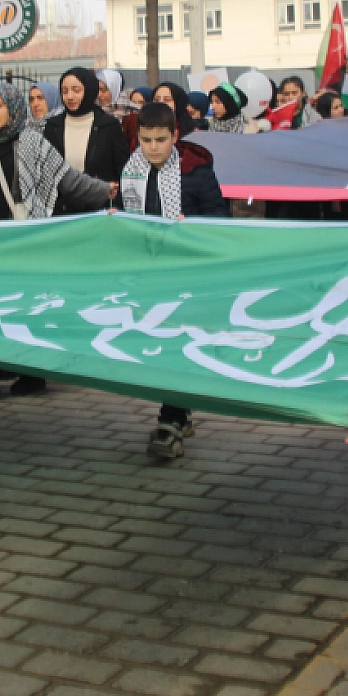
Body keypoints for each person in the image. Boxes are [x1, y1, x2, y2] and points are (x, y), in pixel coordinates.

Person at [0, 83, 116, 404]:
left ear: (12, 107)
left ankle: (31, 372)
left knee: (24, 310)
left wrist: (104, 191)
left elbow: (67, 179)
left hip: (24, 245)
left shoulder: (32, 142)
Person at [120, 101, 229, 459]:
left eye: (160, 140)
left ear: (175, 136)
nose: (153, 147)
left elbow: (219, 218)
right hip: (148, 275)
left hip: (187, 277)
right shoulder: (132, 170)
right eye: (146, 140)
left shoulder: (196, 172)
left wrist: (193, 228)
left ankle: (171, 419)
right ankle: (179, 411)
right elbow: (126, 213)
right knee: (157, 344)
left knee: (176, 344)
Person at [44, 67, 127, 189]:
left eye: (76, 90)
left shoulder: (108, 126)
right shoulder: (53, 126)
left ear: (89, 90)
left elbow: (122, 169)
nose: (70, 96)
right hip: (62, 205)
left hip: (100, 204)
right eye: (65, 91)